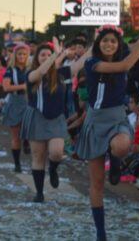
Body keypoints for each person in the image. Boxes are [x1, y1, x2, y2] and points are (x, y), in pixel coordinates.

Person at [74, 25, 139, 241]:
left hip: (117, 117)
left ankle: (116, 159)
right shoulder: (92, 63)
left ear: (119, 45)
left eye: (113, 41)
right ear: (98, 44)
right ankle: (101, 231)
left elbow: (135, 50)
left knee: (121, 145)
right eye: (104, 40)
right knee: (97, 183)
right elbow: (126, 64)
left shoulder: (124, 56)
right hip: (94, 121)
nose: (109, 44)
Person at [22, 39, 86, 203]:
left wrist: (97, 42)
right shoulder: (31, 74)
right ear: (37, 58)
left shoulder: (61, 73)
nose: (46, 57)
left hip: (56, 118)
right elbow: (42, 72)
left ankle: (54, 168)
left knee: (56, 152)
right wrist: (56, 55)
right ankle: (39, 192)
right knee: (38, 156)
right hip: (37, 117)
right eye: (42, 55)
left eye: (48, 54)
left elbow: (79, 64)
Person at [1, 43, 29, 172]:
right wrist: (22, 87)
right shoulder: (10, 70)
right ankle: (17, 164)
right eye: (19, 54)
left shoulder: (31, 69)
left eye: (24, 54)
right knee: (15, 136)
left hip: (29, 103)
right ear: (15, 56)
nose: (22, 56)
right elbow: (6, 87)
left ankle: (27, 142)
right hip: (15, 102)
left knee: (30, 130)